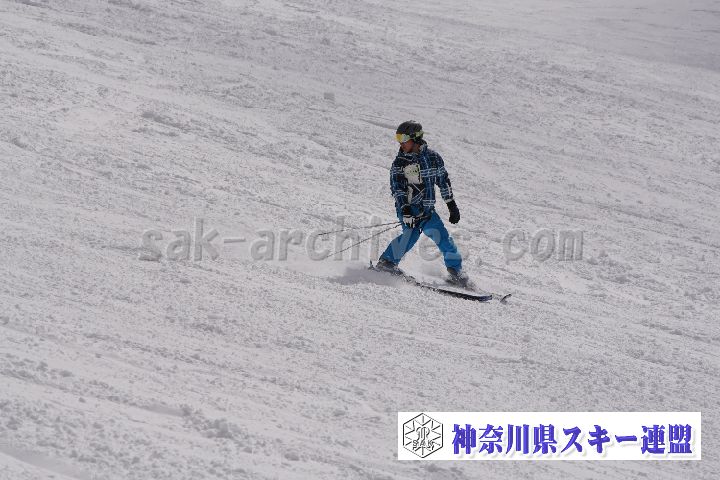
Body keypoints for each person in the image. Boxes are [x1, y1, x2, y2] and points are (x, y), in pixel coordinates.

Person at [376, 120, 468, 286]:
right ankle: (387, 263)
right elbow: (398, 189)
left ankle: (456, 272)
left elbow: (443, 181)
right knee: (410, 235)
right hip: (408, 209)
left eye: (403, 138)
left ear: (416, 138)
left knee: (443, 238)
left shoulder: (433, 158)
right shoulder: (400, 162)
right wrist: (405, 210)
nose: (400, 142)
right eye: (398, 138)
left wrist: (451, 205)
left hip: (427, 211)